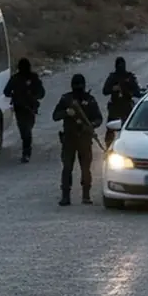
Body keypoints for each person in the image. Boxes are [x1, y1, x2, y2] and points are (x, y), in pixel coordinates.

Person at [52, 74, 103, 206]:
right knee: (67, 168)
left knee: (85, 168)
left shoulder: (90, 100)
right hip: (69, 139)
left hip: (84, 139)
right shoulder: (66, 99)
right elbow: (55, 116)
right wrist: (66, 112)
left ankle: (86, 194)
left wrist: (91, 125)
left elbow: (99, 118)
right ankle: (65, 195)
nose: (78, 88)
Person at [3, 58, 46, 163]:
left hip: (27, 108)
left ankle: (26, 152)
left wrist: (32, 96)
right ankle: (26, 152)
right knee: (26, 131)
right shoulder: (20, 78)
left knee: (26, 130)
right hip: (22, 108)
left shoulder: (24, 78)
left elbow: (41, 93)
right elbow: (7, 92)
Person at [101, 56, 141, 149]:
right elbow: (105, 91)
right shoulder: (112, 77)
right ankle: (108, 148)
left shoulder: (129, 77)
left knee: (129, 128)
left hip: (127, 105)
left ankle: (130, 147)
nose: (120, 67)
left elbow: (137, 92)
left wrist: (129, 92)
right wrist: (113, 89)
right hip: (115, 106)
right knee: (110, 129)